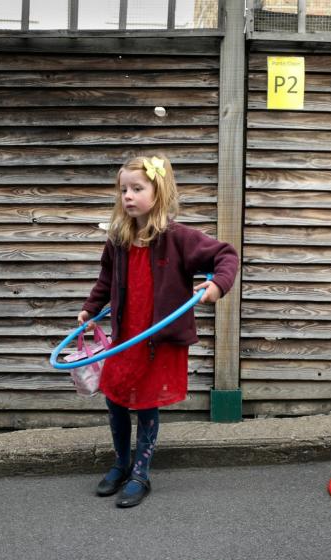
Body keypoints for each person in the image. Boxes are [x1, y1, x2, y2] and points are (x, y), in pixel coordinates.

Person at [78, 156, 239, 508]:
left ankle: (141, 472)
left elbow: (226, 256)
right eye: (123, 190)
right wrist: (91, 309)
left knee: (146, 405)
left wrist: (215, 287)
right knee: (115, 398)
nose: (128, 196)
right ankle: (121, 463)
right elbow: (105, 280)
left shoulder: (178, 238)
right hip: (125, 339)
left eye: (137, 188)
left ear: (159, 192)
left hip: (158, 342)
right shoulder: (119, 238)